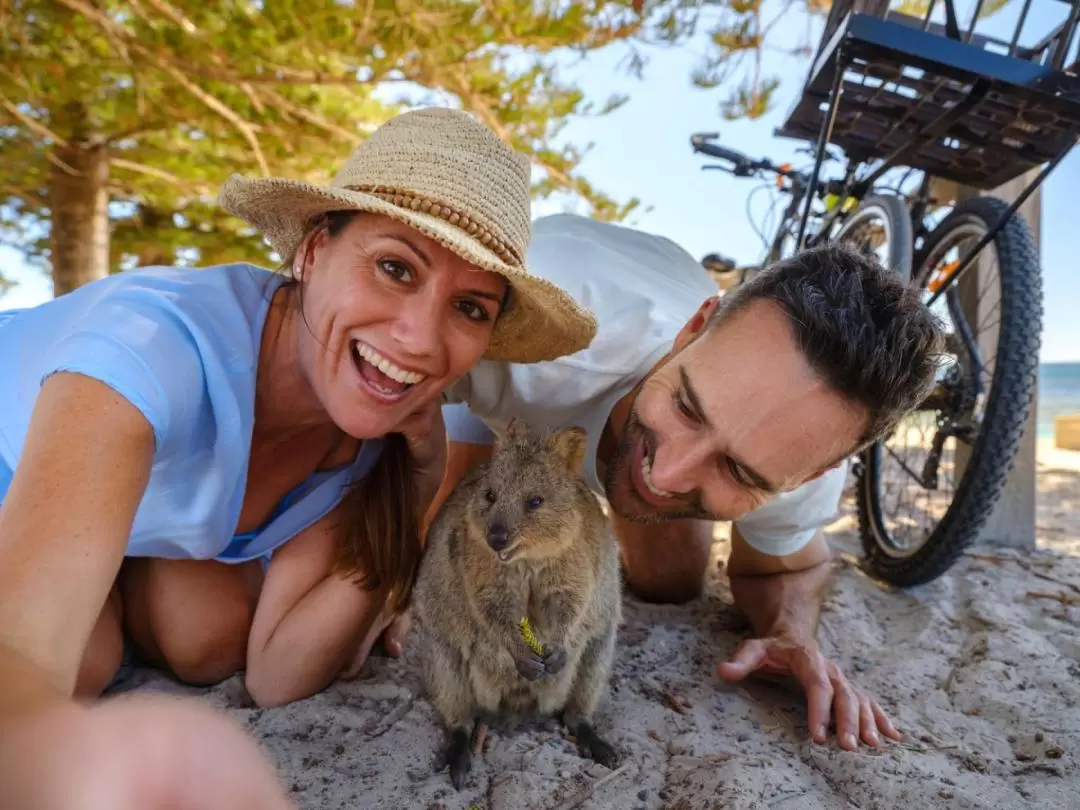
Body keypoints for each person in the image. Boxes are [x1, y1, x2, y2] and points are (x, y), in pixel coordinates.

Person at [0, 108, 596, 807]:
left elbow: (278, 674)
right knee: (78, 664)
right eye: (395, 268)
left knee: (210, 635)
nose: (419, 338)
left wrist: (417, 486)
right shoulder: (152, 348)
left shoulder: (367, 428)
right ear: (312, 253)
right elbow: (23, 655)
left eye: (469, 308)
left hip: (110, 533)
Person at [427, 213, 944, 753]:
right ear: (692, 330)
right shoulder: (529, 337)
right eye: (688, 406)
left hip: (655, 319)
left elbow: (794, 567)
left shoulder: (801, 449)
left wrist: (793, 633)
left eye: (740, 470)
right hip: (527, 353)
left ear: (813, 475)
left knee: (671, 583)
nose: (668, 475)